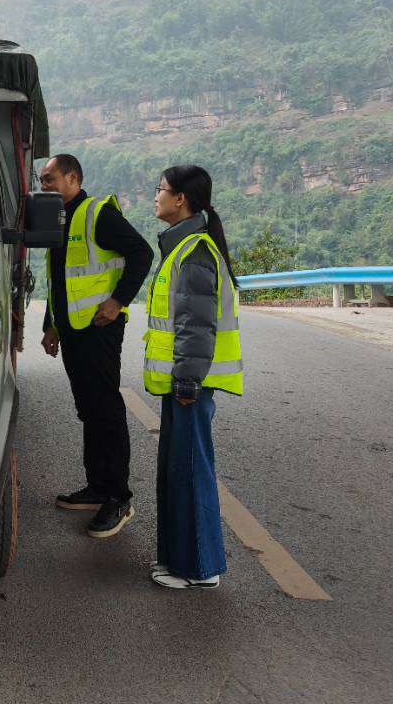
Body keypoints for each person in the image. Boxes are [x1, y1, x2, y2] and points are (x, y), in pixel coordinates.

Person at [39, 154, 153, 538]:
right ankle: (97, 487)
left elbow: (142, 253)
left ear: (73, 177)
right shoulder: (56, 217)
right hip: (72, 329)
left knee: (105, 410)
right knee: (88, 409)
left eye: (50, 179)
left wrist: (118, 301)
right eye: (41, 180)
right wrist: (51, 325)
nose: (44, 186)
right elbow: (58, 278)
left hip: (100, 327)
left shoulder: (96, 213)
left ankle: (118, 498)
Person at [145, 165, 243, 590]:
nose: (156, 196)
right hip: (183, 382)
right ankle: (180, 560)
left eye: (160, 189)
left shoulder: (194, 251)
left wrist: (186, 381)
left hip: (190, 384)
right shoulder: (183, 246)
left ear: (180, 199)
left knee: (189, 471)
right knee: (178, 470)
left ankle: (200, 569)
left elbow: (196, 325)